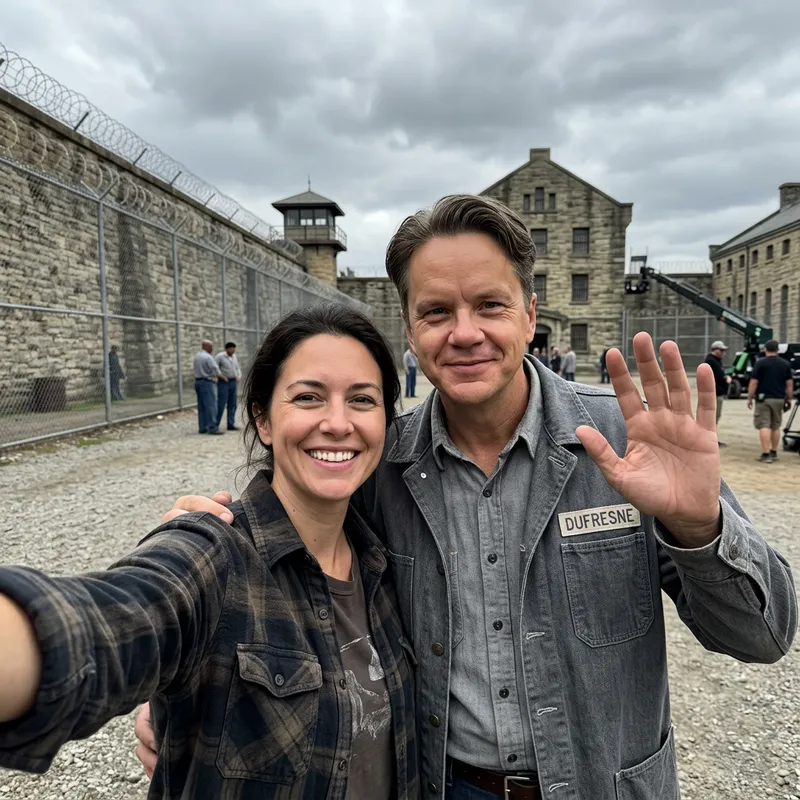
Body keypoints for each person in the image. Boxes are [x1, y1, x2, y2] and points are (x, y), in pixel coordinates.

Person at [137, 195, 796, 799]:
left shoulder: (625, 442)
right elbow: (297, 585)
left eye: (489, 305)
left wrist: (697, 525)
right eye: (437, 312)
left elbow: (763, 637)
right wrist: (203, 619)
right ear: (411, 329)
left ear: (530, 314)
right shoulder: (378, 470)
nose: (464, 332)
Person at [0, 304, 417, 799]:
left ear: (385, 424)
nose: (337, 422)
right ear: (262, 420)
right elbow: (105, 624)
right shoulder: (213, 555)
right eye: (308, 397)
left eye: (362, 400)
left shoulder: (385, 560)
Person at [747, 340, 794, 462]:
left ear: (765, 349)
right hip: (779, 398)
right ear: (778, 350)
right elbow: (789, 384)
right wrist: (789, 398)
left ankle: (765, 453)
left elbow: (754, 382)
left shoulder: (760, 363)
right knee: (775, 426)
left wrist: (750, 397)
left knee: (764, 425)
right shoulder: (785, 364)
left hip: (764, 399)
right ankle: (774, 451)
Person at [193, 339, 226, 435]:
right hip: (207, 382)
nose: (212, 349)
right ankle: (212, 427)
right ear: (206, 346)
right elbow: (215, 370)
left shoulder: (197, 356)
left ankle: (202, 427)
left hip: (198, 382)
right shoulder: (208, 357)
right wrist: (223, 377)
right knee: (211, 406)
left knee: (202, 406)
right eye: (211, 347)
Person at [703, 340, 732, 447]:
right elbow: (719, 376)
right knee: (713, 417)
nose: (723, 352)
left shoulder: (716, 360)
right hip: (715, 393)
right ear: (715, 350)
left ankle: (712, 439)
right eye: (721, 350)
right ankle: (710, 440)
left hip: (717, 393)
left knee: (714, 417)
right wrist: (726, 378)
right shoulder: (712, 361)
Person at [215, 341, 242, 431]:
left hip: (233, 382)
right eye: (231, 348)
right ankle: (215, 424)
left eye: (234, 348)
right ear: (227, 349)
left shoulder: (234, 357)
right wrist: (221, 376)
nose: (233, 350)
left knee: (233, 404)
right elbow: (215, 368)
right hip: (224, 382)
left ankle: (231, 424)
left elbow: (237, 368)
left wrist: (238, 376)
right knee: (221, 403)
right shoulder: (220, 356)